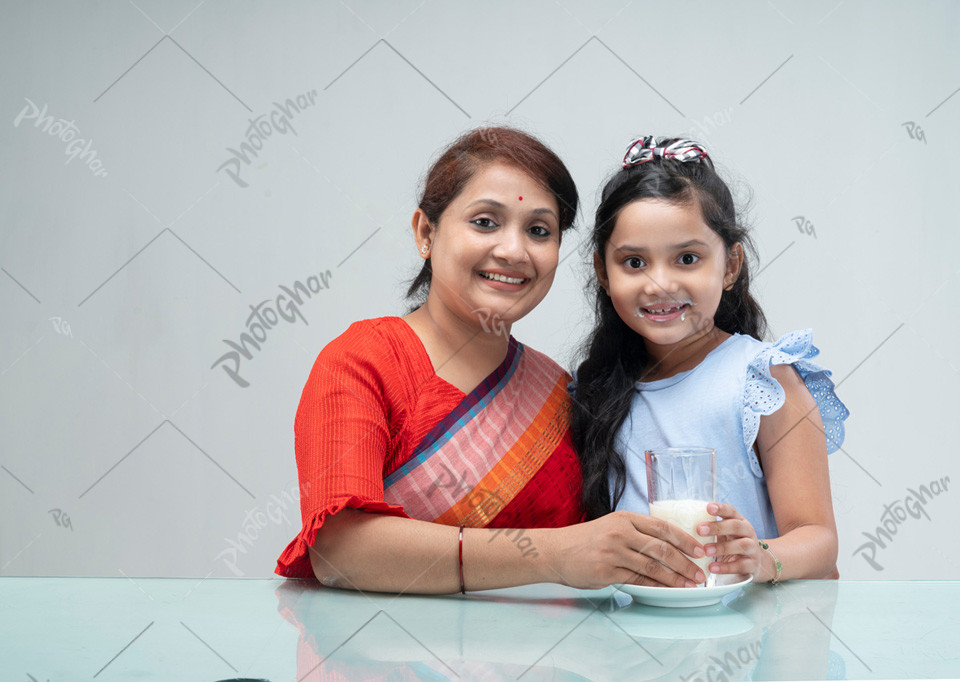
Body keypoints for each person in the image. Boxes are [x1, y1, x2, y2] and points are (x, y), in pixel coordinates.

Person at [276, 127, 707, 594]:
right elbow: (339, 551)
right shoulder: (364, 363)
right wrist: (555, 555)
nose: (513, 251)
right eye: (485, 222)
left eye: (539, 231)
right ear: (426, 232)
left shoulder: (558, 393)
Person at [571, 136, 850, 583]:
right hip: (636, 637)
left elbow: (817, 538)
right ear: (603, 273)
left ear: (730, 265)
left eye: (687, 258)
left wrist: (761, 557)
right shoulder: (594, 389)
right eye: (634, 262)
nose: (659, 284)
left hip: (746, 640)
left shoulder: (760, 378)